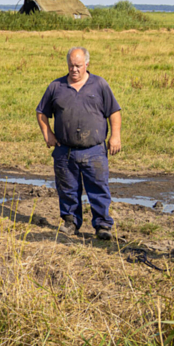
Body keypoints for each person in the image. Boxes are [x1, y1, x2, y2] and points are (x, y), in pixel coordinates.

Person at [36, 47, 122, 240]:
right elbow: (41, 112)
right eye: (71, 66)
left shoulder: (99, 85)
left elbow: (114, 112)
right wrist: (47, 133)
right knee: (67, 188)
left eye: (78, 66)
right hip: (64, 150)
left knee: (98, 187)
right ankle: (70, 222)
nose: (74, 70)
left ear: (87, 65)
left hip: (94, 150)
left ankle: (102, 225)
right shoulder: (56, 87)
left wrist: (115, 136)